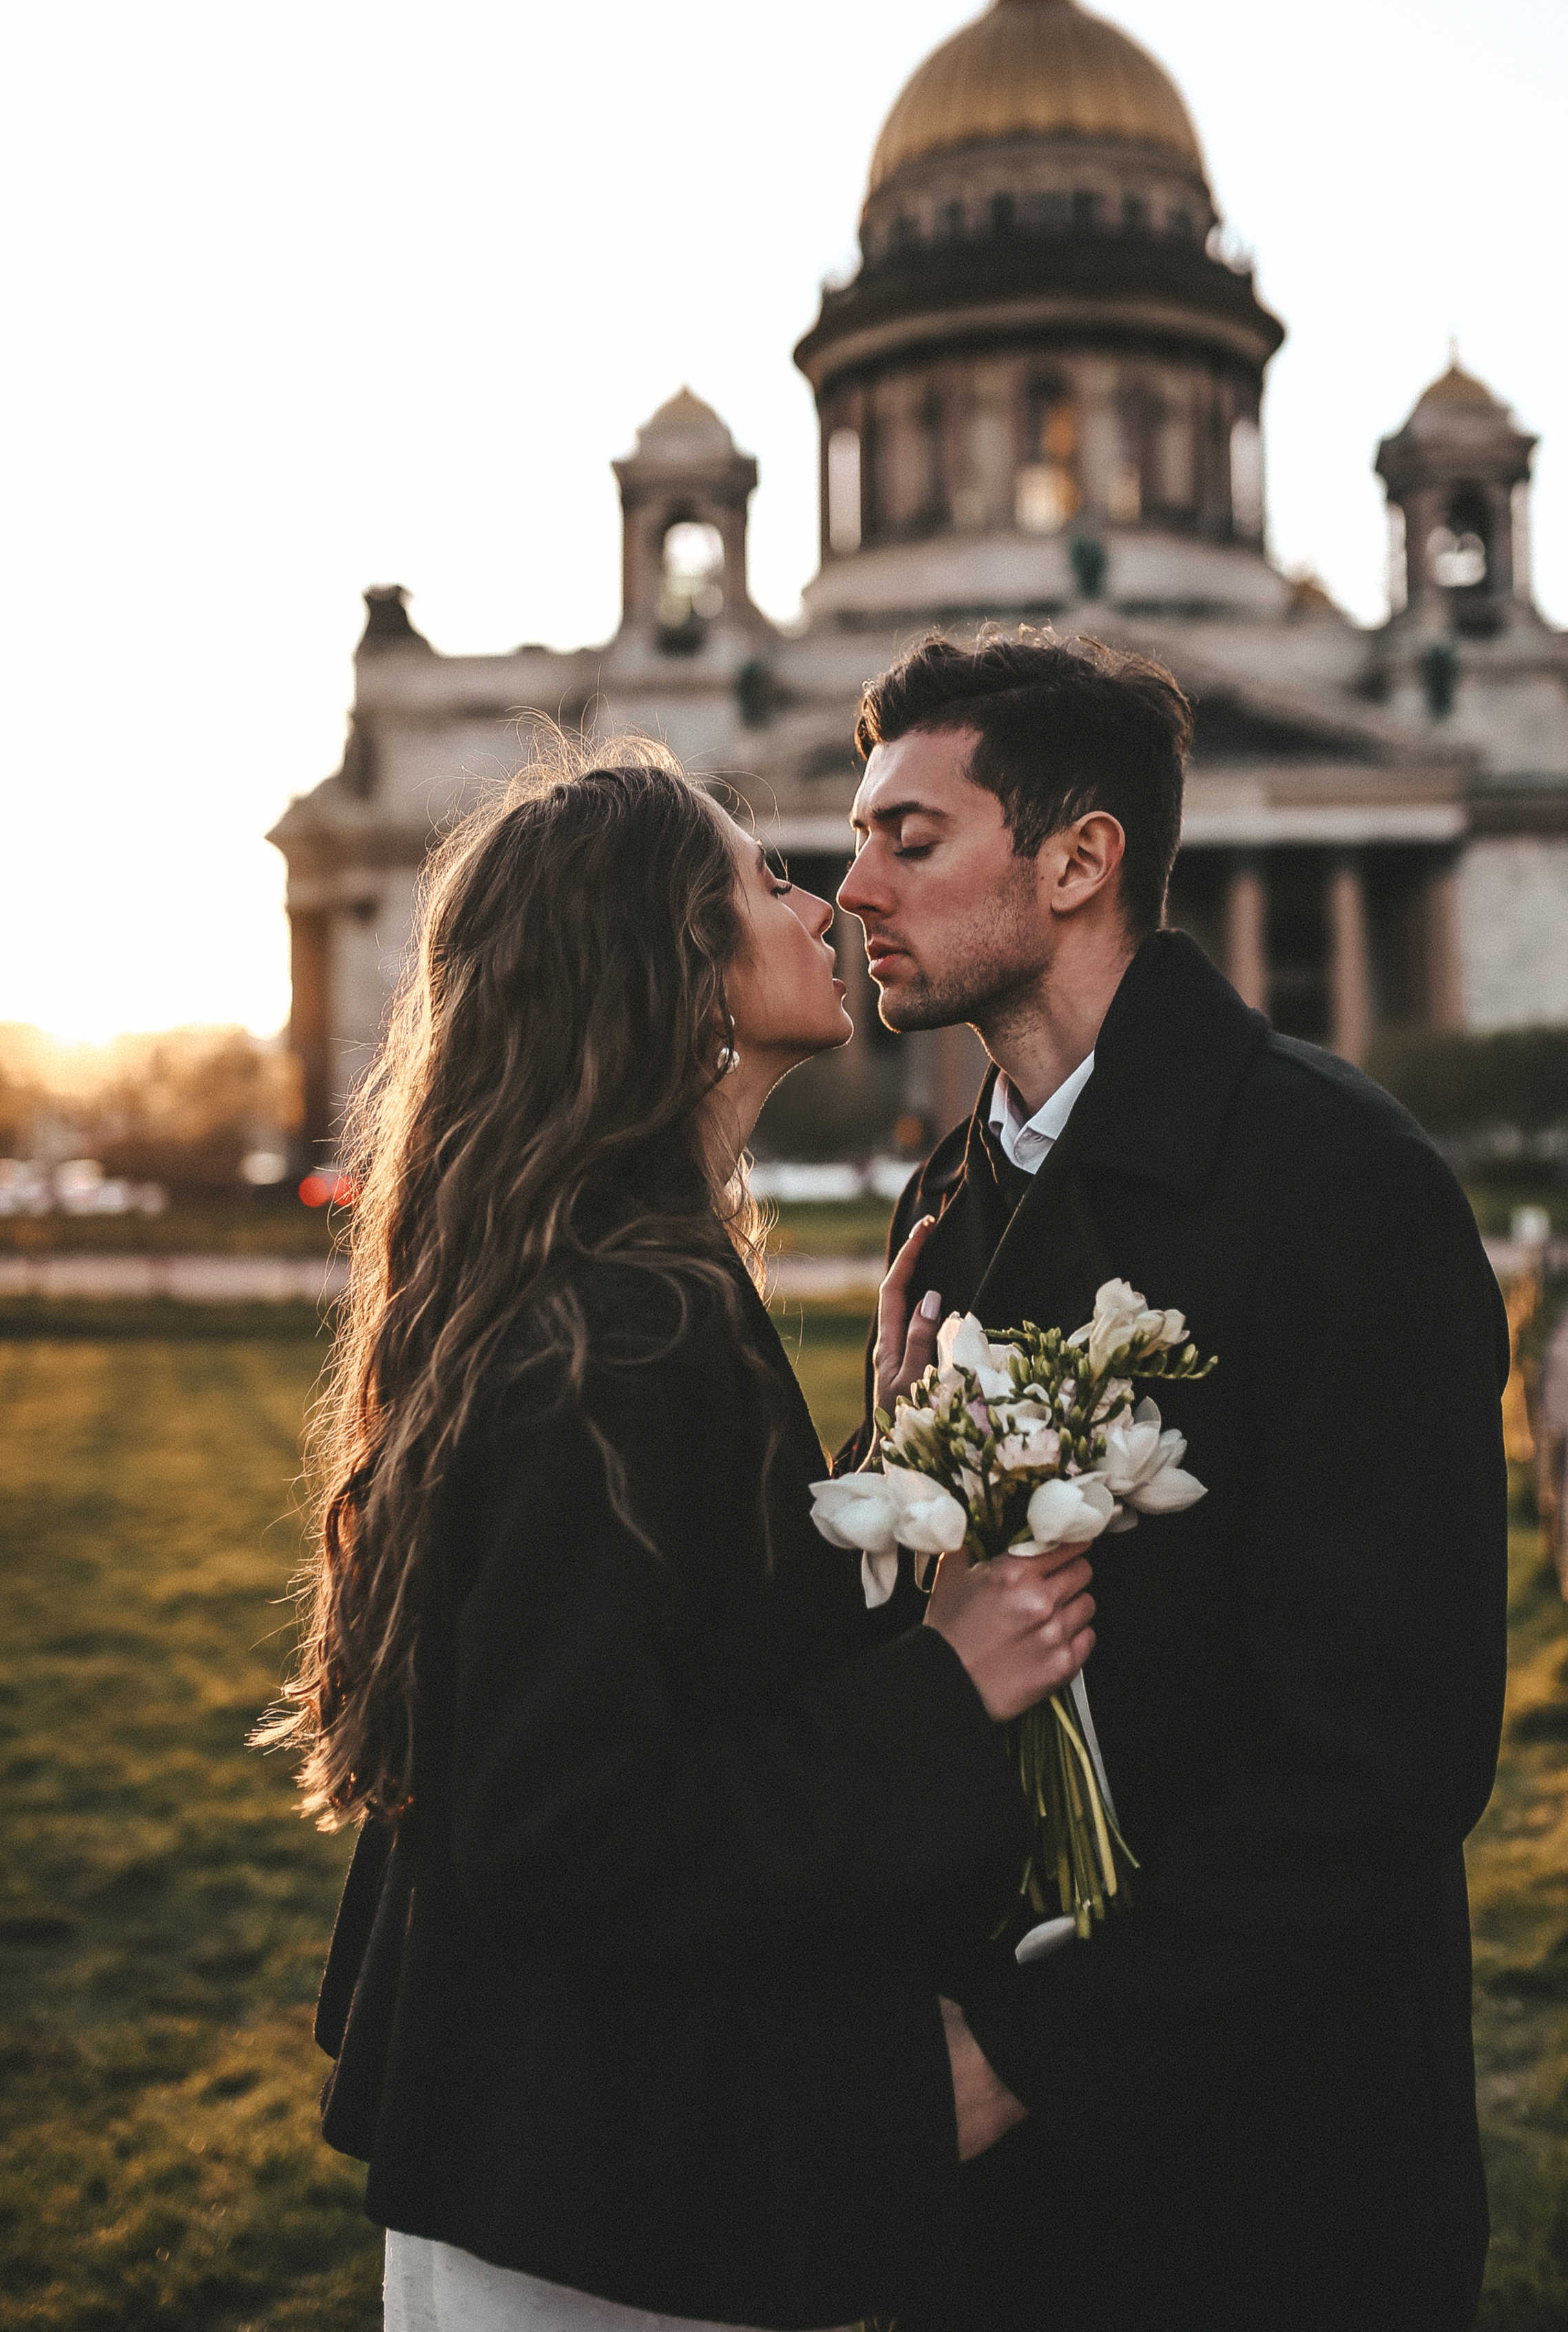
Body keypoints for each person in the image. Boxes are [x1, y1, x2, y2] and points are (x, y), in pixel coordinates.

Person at [261, 731, 1098, 2332]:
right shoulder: (623, 1326)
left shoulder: (604, 1280)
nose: (823, 904)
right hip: (600, 2204)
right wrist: (943, 1682)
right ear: (675, 968)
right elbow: (572, 1824)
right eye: (765, 880)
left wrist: (881, 1459)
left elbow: (693, 1643)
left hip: (553, 2149)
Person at [834, 629, 1509, 2332]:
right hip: (995, 2189)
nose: (850, 888)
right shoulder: (949, 1194)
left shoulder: (1339, 1183)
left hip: (1261, 2169)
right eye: (855, 841)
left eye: (908, 838)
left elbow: (1386, 1746)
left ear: (1078, 859)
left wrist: (1030, 2050)